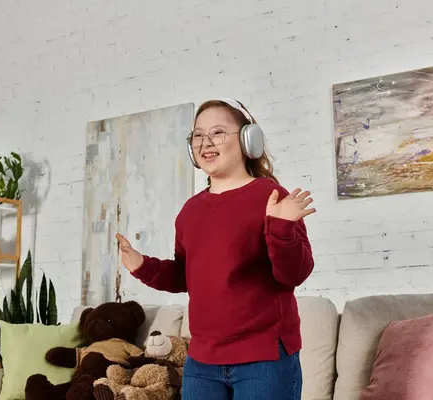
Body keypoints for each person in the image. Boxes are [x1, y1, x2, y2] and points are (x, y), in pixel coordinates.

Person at [115, 98, 316, 400]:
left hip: (264, 358)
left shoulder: (271, 196)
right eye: (198, 135)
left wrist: (282, 228)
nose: (205, 142)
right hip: (202, 362)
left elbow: (293, 274)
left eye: (218, 133)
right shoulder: (190, 211)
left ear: (249, 139)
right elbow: (185, 276)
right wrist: (143, 265)